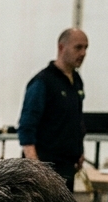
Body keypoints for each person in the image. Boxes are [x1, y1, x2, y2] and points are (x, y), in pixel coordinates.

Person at [19, 28, 88, 189]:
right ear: (61, 47)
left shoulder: (76, 80)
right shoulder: (43, 82)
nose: (83, 53)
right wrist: (34, 166)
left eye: (86, 48)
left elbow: (76, 119)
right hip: (44, 166)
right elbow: (26, 125)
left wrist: (79, 151)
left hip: (67, 164)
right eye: (78, 47)